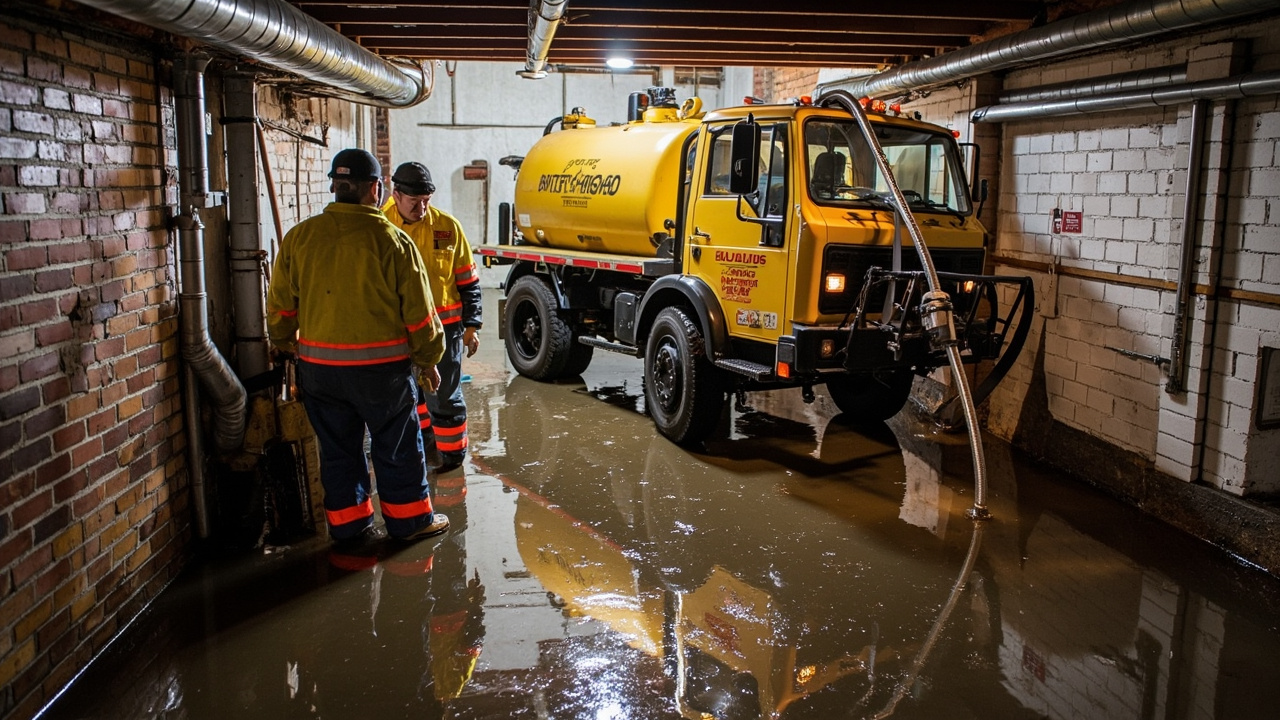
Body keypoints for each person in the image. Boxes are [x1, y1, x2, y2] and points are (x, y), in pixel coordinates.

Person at [266, 148, 450, 544]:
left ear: (335, 186)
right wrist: (428, 359)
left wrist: (284, 345)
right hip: (382, 375)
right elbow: (420, 316)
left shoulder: (300, 238)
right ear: (377, 189)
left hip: (319, 374)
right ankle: (409, 523)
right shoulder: (394, 242)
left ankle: (350, 529)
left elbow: (280, 309)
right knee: (397, 447)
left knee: (338, 451)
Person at [381, 161, 483, 472]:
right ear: (395, 194)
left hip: (445, 330)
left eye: (427, 200)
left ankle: (452, 459)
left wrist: (472, 325)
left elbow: (467, 280)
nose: (422, 208)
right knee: (410, 396)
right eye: (415, 202)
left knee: (445, 396)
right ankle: (425, 446)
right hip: (399, 333)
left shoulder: (446, 227)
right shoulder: (380, 227)